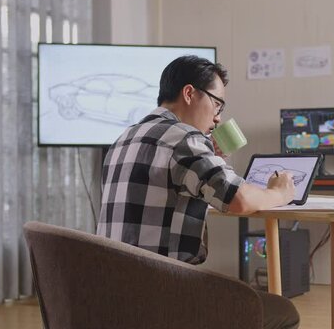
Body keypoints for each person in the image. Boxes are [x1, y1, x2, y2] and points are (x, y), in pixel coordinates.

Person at [97, 55, 300, 329]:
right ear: (190, 93)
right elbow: (238, 199)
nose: (218, 118)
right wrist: (280, 193)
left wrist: (210, 158)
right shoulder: (184, 139)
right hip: (163, 296)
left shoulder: (123, 139)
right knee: (282, 311)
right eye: (217, 104)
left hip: (113, 297)